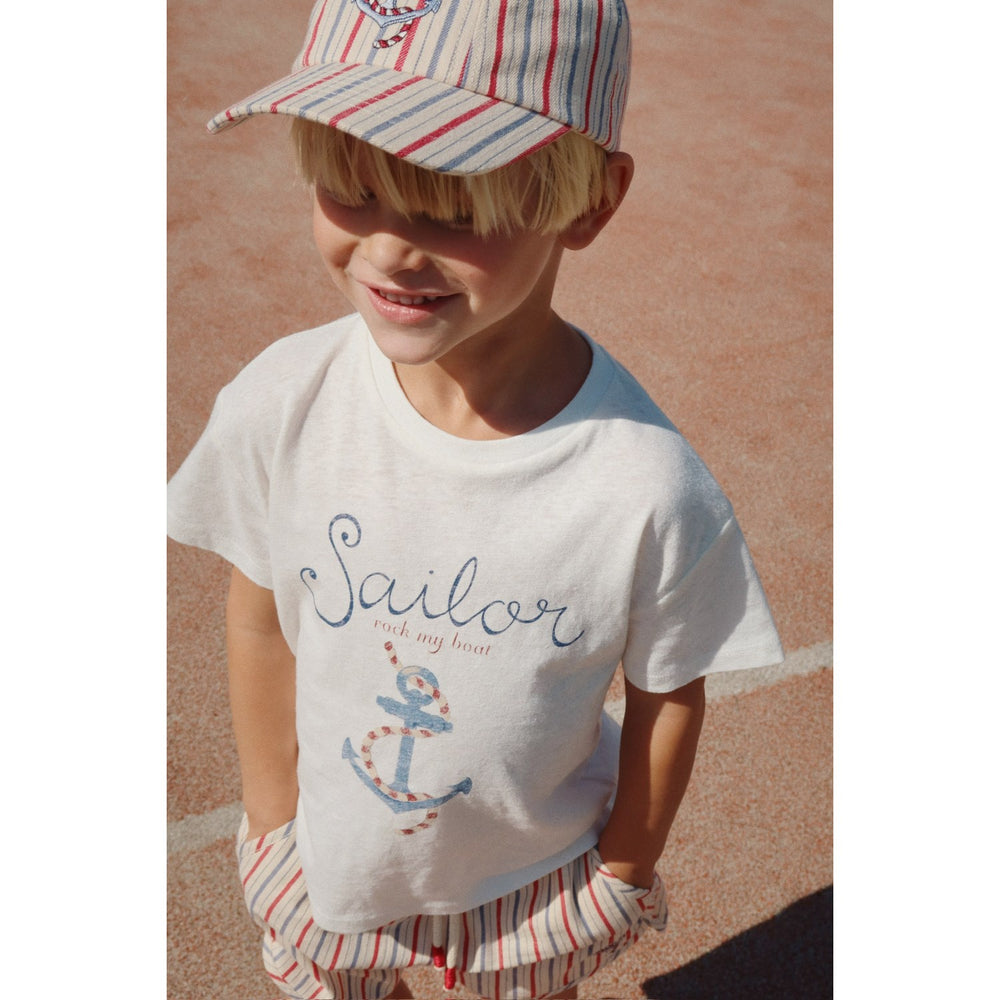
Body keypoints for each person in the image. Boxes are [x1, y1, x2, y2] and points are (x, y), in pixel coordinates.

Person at [167, 1, 784, 997]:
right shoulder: (283, 403)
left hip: (530, 894)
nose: (389, 250)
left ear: (590, 202)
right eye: (349, 188)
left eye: (452, 209)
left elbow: (670, 689)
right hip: (325, 862)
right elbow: (261, 615)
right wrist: (271, 819)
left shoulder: (644, 484)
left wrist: (622, 874)